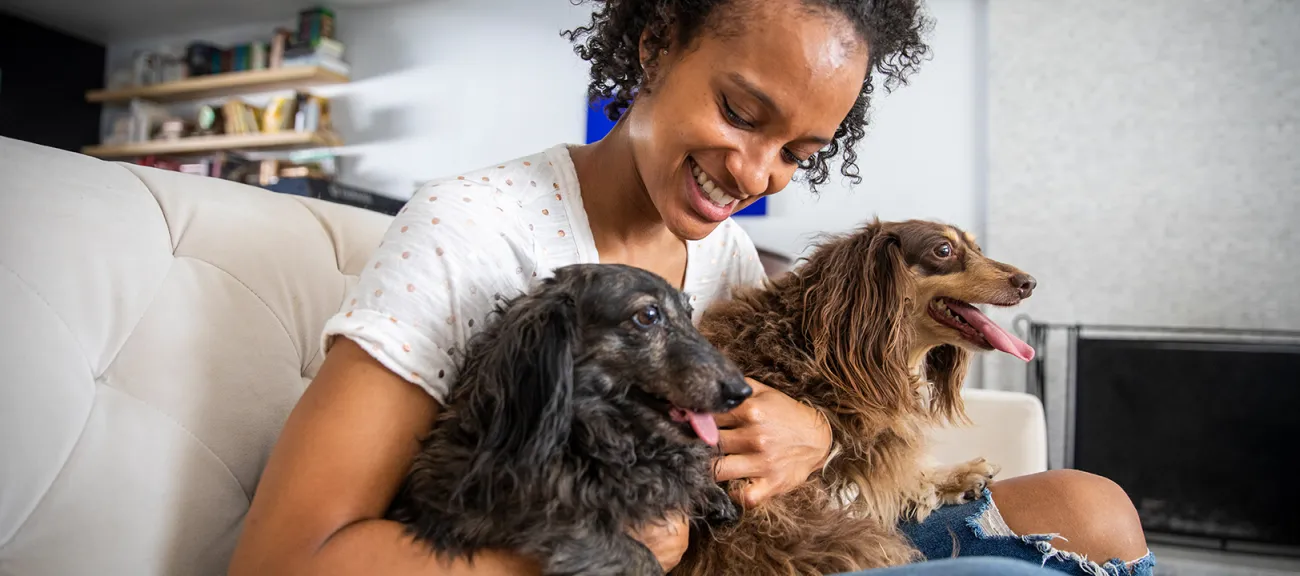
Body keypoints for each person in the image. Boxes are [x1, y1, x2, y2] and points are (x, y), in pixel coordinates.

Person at [228, 0, 1154, 575]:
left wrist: (819, 430)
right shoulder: (471, 229)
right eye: (741, 114)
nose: (756, 175)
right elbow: (283, 561)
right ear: (657, 40)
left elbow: (763, 434)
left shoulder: (720, 260)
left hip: (786, 540)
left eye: (798, 154)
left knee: (1091, 508)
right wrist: (618, 553)